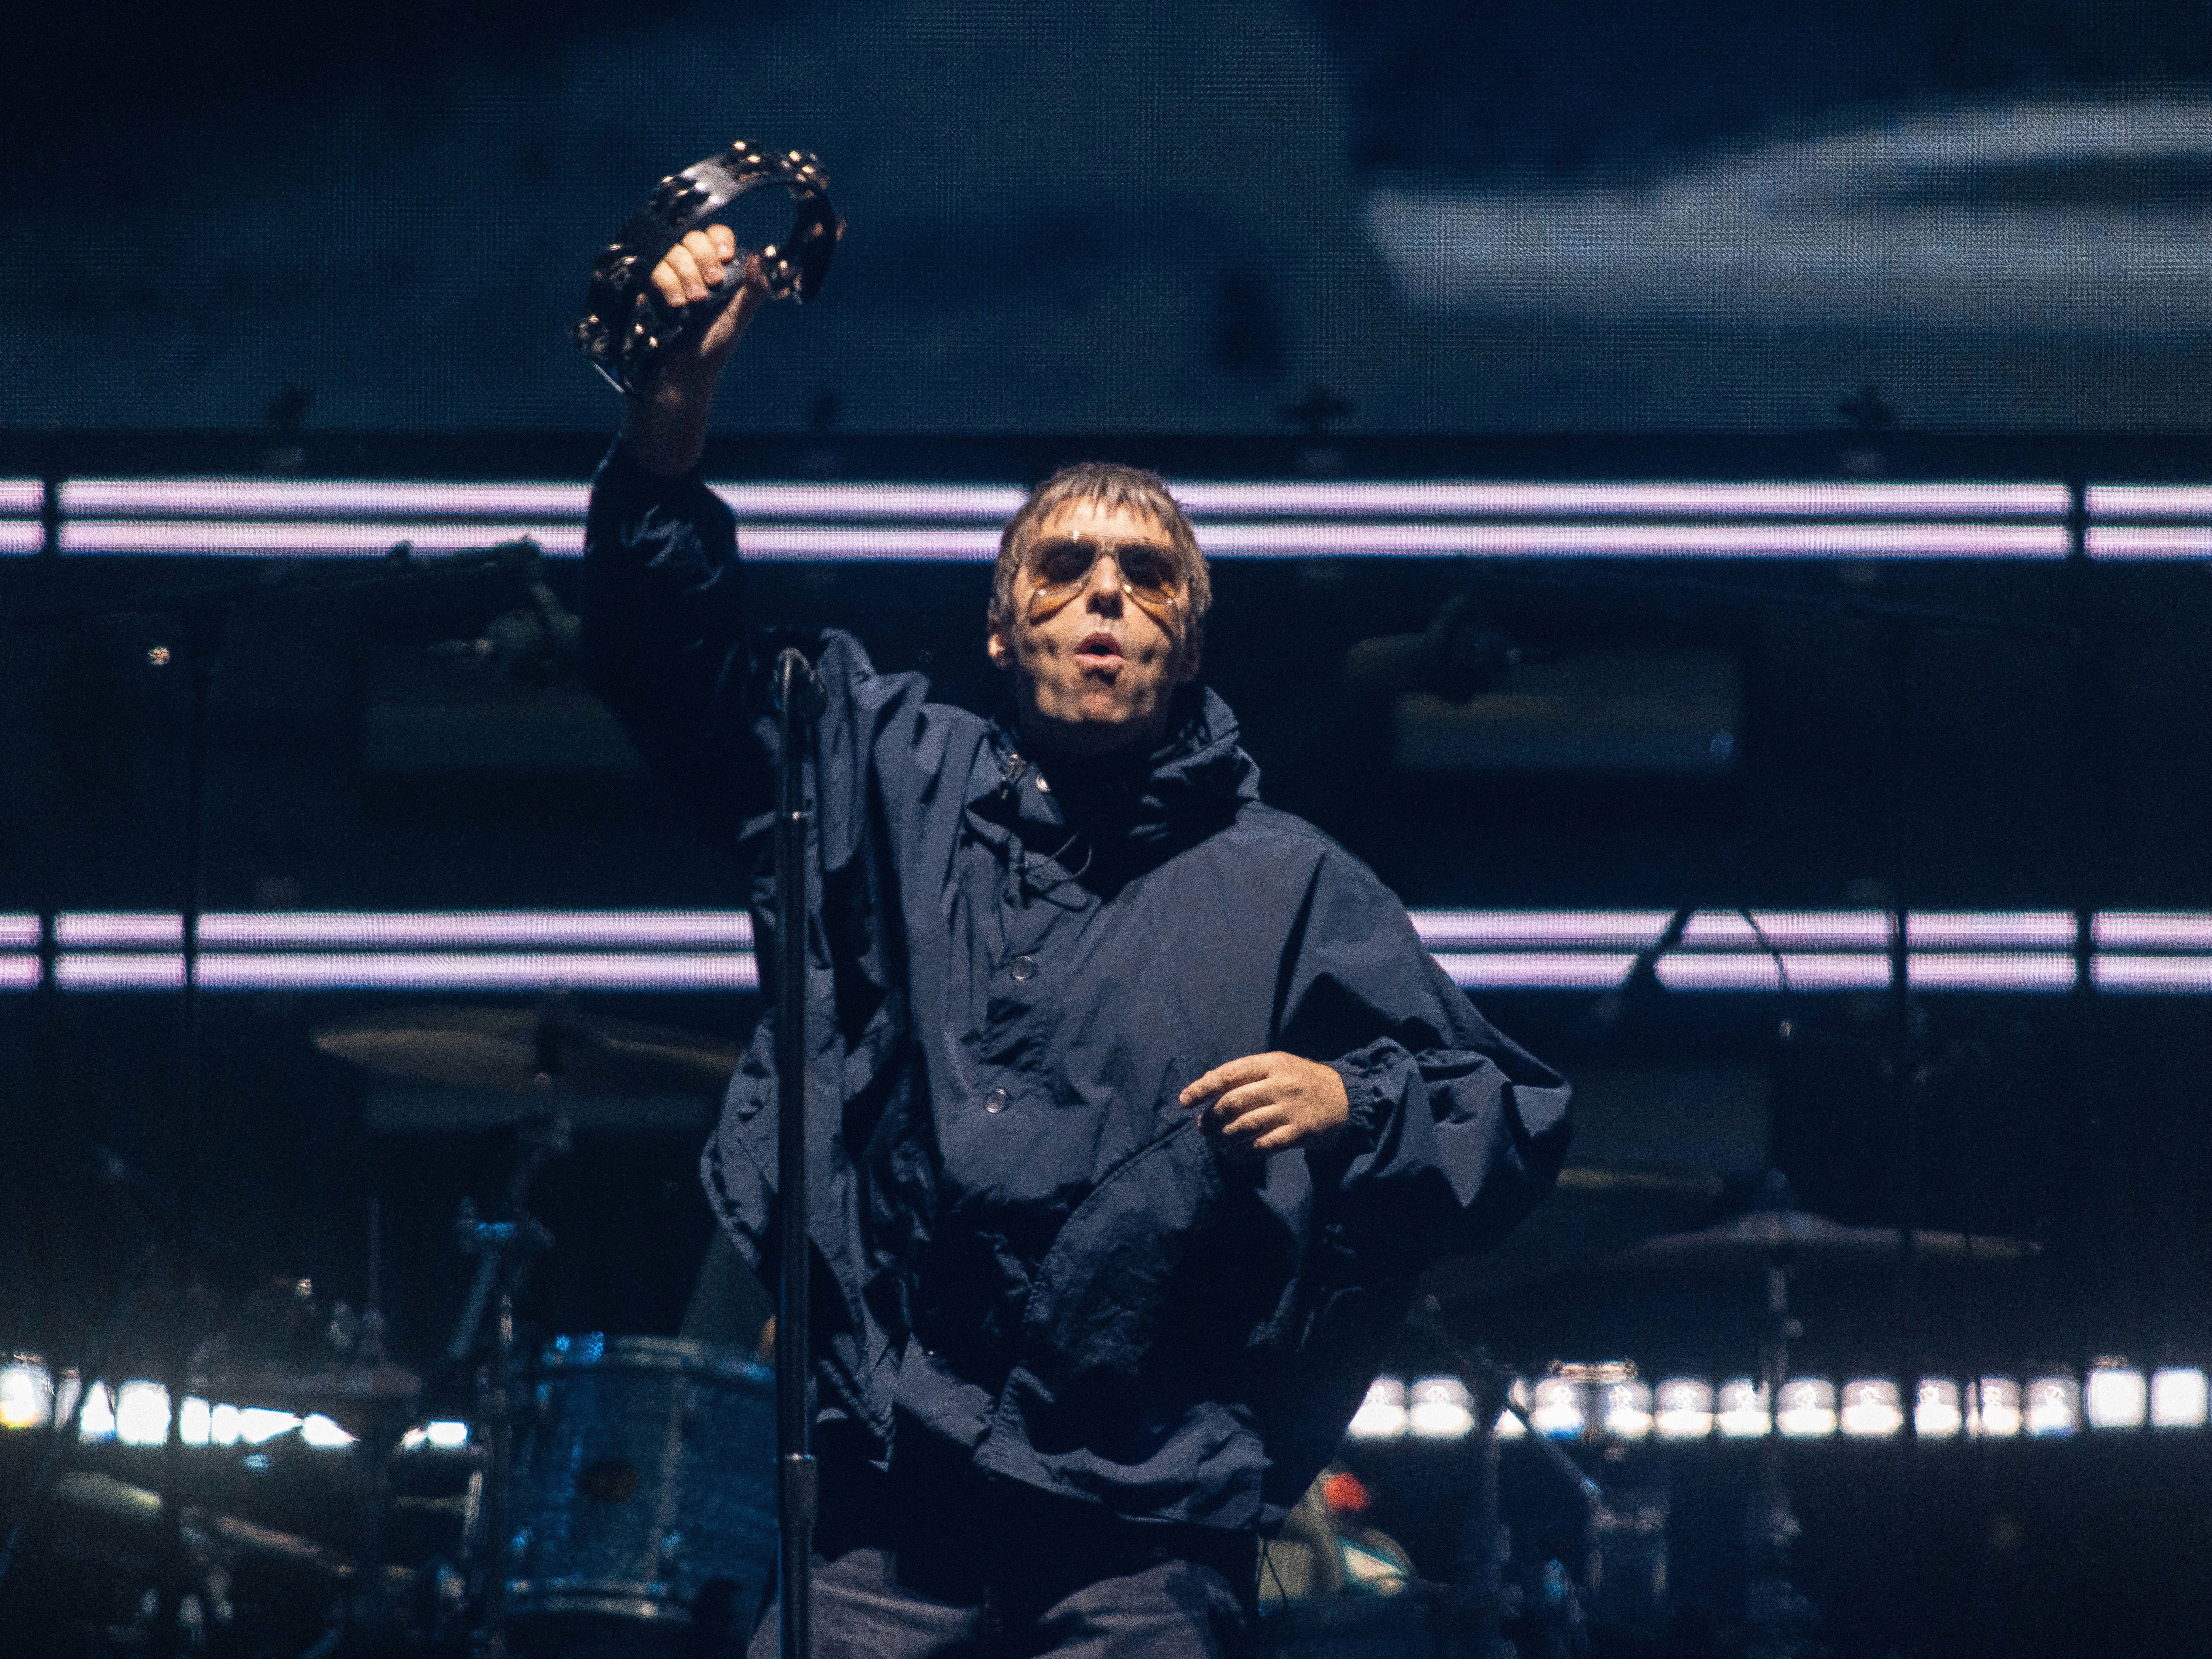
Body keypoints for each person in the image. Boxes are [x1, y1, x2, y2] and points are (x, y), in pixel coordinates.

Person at [580, 224, 1572, 1659]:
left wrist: (1356, 1102)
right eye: (1066, 566)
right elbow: (673, 669)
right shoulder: (881, 774)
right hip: (878, 1520)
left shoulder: (1295, 885)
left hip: (1139, 1545)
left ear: (1189, 638)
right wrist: (666, 427)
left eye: (1147, 576)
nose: (1107, 592)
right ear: (1002, 625)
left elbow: (1513, 1114)